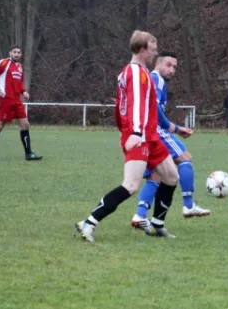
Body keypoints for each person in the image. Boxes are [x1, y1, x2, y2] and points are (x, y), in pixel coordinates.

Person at [75, 30, 179, 243]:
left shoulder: (136, 71)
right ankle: (89, 222)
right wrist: (134, 133)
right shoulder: (135, 73)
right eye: (152, 50)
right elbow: (135, 105)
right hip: (139, 136)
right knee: (131, 186)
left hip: (149, 136)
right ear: (142, 50)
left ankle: (157, 225)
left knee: (171, 177)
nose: (155, 53)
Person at [131, 52, 210, 229]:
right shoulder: (156, 79)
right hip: (155, 131)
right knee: (185, 158)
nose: (172, 70)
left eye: (175, 67)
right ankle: (189, 206)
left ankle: (139, 215)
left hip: (143, 134)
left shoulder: (150, 80)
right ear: (158, 64)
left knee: (156, 175)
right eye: (168, 65)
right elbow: (155, 109)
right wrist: (174, 128)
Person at [0, 45, 42, 161]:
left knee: (25, 124)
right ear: (10, 53)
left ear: (21, 55)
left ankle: (28, 154)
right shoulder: (4, 63)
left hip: (17, 100)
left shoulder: (19, 67)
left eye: (19, 52)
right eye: (14, 52)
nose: (17, 54)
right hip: (5, 99)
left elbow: (19, 83)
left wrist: (23, 91)